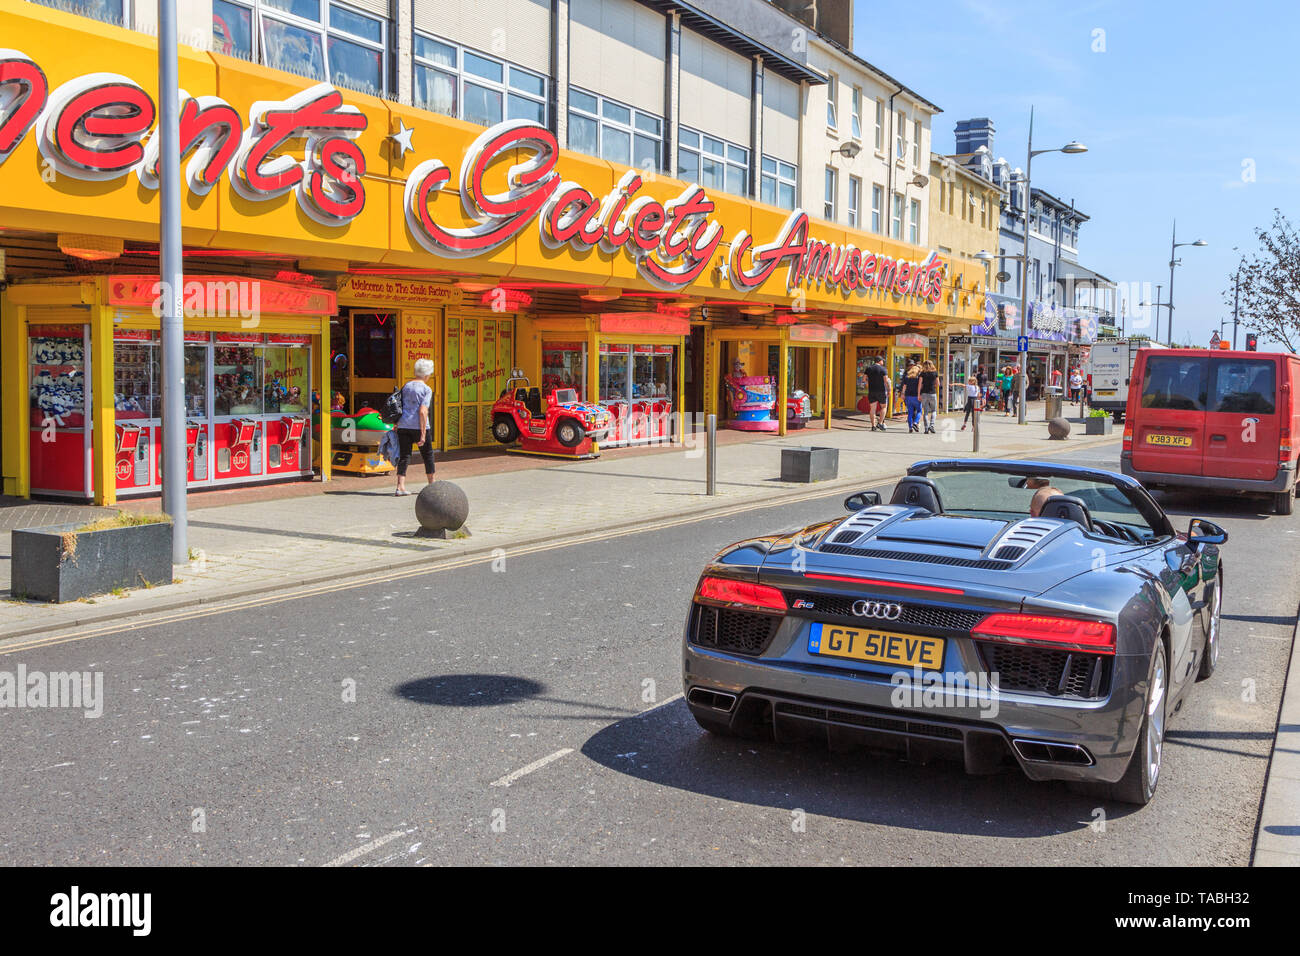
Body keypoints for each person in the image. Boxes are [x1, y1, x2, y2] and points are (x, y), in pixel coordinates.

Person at [394, 357, 436, 496]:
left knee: (404, 455)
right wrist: (423, 434)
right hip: (418, 427)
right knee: (428, 455)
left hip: (404, 425)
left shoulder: (406, 386)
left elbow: (400, 406)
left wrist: (397, 424)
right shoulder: (426, 389)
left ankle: (400, 486)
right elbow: (423, 411)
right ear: (426, 374)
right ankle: (432, 485)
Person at [863, 355, 889, 431]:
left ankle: (873, 426)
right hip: (881, 391)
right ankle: (880, 423)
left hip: (871, 391)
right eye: (882, 361)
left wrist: (868, 384)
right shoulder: (883, 369)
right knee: (884, 407)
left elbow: (864, 379)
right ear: (880, 361)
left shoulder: (869, 368)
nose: (883, 362)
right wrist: (889, 390)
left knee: (872, 409)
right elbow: (886, 381)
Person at [919, 360, 939, 434]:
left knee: (926, 412)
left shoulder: (922, 374)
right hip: (932, 393)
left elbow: (920, 384)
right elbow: (938, 384)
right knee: (934, 410)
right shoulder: (935, 373)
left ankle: (926, 428)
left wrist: (919, 394)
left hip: (924, 393)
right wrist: (933, 386)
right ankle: (932, 425)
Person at [902, 363, 922, 433]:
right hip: (916, 396)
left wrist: (903, 394)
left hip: (908, 397)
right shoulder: (919, 377)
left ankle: (910, 427)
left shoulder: (907, 377)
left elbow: (904, 386)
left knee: (910, 412)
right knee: (919, 411)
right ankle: (915, 422)